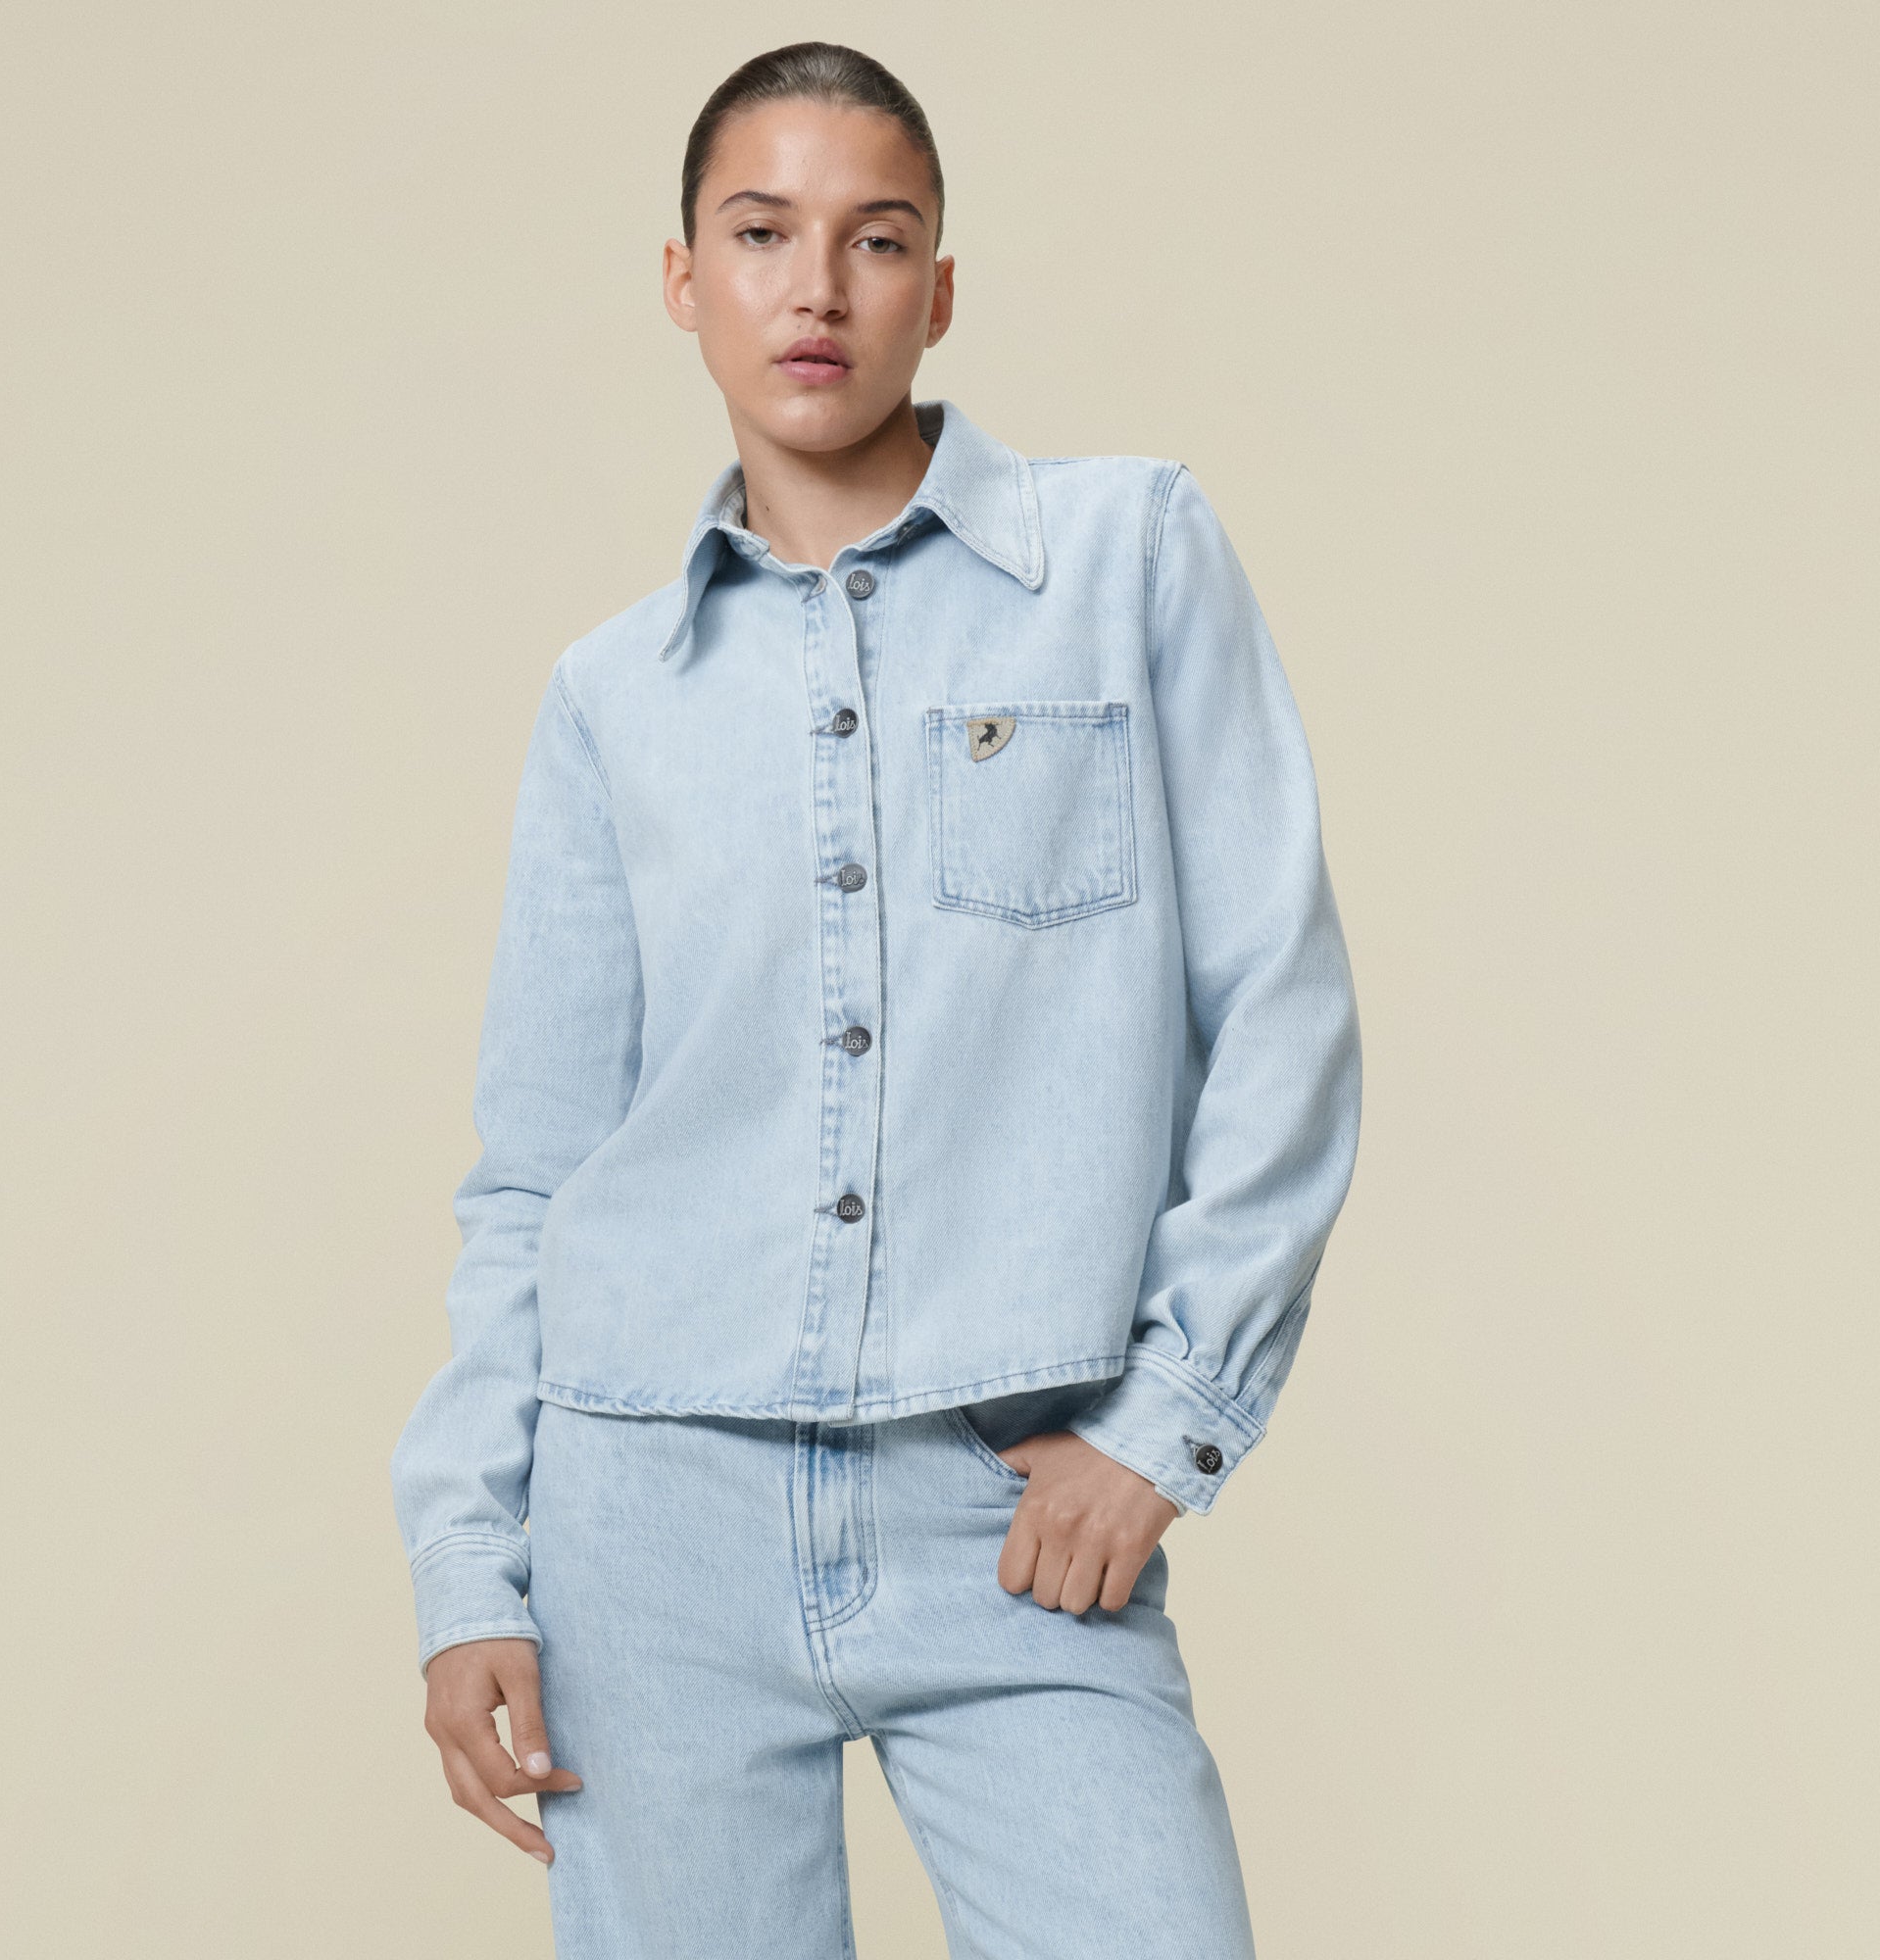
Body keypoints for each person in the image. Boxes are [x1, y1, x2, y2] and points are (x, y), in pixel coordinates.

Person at [389, 39, 1361, 1959]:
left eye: (877, 237)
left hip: (1003, 1512)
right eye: (762, 234)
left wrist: (1171, 1419)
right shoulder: (612, 698)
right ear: (684, 279)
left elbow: (1279, 1009)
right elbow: (537, 1169)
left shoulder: (1126, 556)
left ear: (941, 286)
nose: (817, 288)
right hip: (646, 1518)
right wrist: (466, 1564)